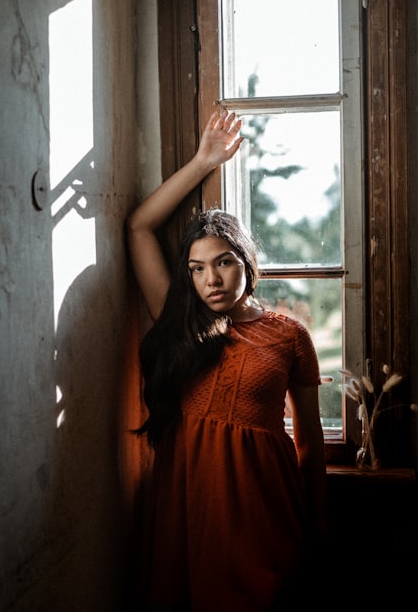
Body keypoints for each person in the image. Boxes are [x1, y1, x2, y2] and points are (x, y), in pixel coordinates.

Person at [126, 109, 327, 611]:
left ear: (247, 263)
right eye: (197, 269)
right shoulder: (179, 321)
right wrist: (202, 162)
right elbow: (139, 227)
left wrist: (318, 524)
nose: (211, 280)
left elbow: (309, 441)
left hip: (265, 506)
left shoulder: (289, 336)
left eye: (223, 263)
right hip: (189, 505)